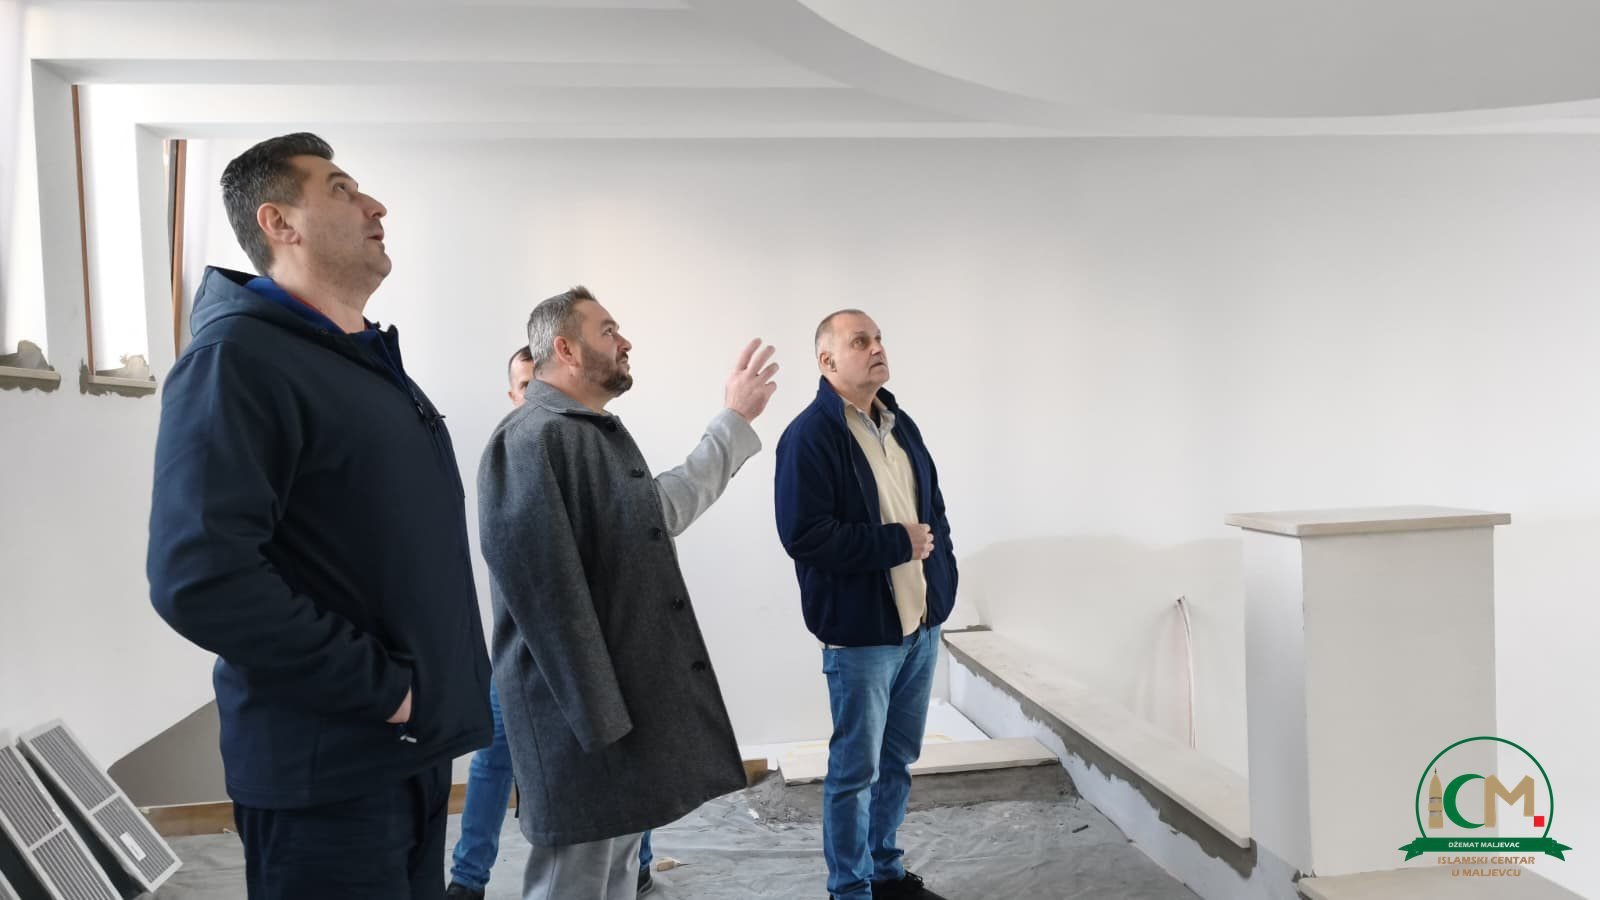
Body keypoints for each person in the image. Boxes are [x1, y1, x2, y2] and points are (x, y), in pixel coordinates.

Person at [147, 133, 492, 899]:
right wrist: (387, 691)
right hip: (329, 779)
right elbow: (199, 578)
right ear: (279, 223)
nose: (375, 206)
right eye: (341, 189)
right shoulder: (237, 360)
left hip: (409, 756)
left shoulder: (358, 361)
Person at [478, 287, 776, 900]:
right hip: (584, 730)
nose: (625, 342)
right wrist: (603, 728)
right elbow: (549, 603)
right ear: (566, 349)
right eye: (609, 330)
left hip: (615, 721)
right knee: (571, 886)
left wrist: (733, 422)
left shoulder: (585, 434)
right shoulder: (529, 440)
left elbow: (660, 510)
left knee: (614, 877)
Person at [446, 345, 655, 898]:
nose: (534, 394)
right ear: (513, 394)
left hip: (599, 649)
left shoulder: (591, 444)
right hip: (522, 655)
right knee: (494, 760)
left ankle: (639, 863)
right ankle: (468, 878)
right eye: (523, 386)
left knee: (632, 755)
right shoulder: (510, 454)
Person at [773, 309, 958, 900]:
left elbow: (934, 512)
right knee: (855, 771)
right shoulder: (809, 436)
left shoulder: (901, 424)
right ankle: (849, 890)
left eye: (878, 338)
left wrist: (943, 586)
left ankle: (885, 873)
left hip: (918, 626)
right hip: (861, 636)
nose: (877, 347)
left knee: (898, 760)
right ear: (827, 360)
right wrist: (896, 543)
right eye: (861, 341)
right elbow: (804, 535)